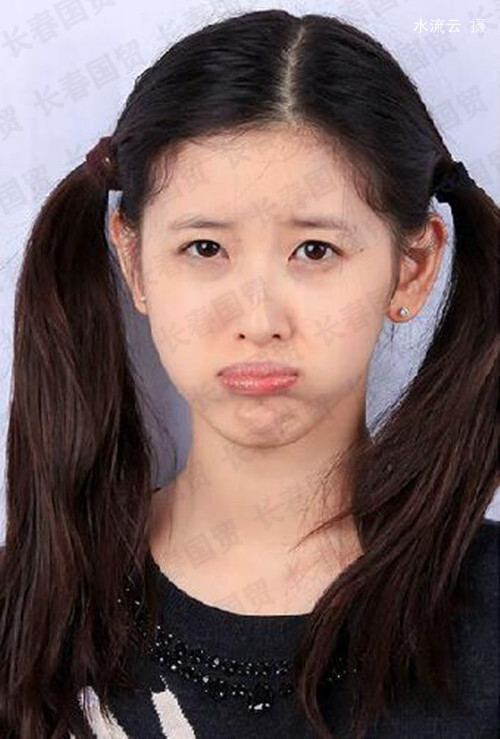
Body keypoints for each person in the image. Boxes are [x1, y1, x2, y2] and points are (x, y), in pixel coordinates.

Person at [0, 8, 498, 739]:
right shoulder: (24, 608)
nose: (259, 318)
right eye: (205, 248)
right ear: (134, 260)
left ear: (412, 267)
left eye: (315, 251)